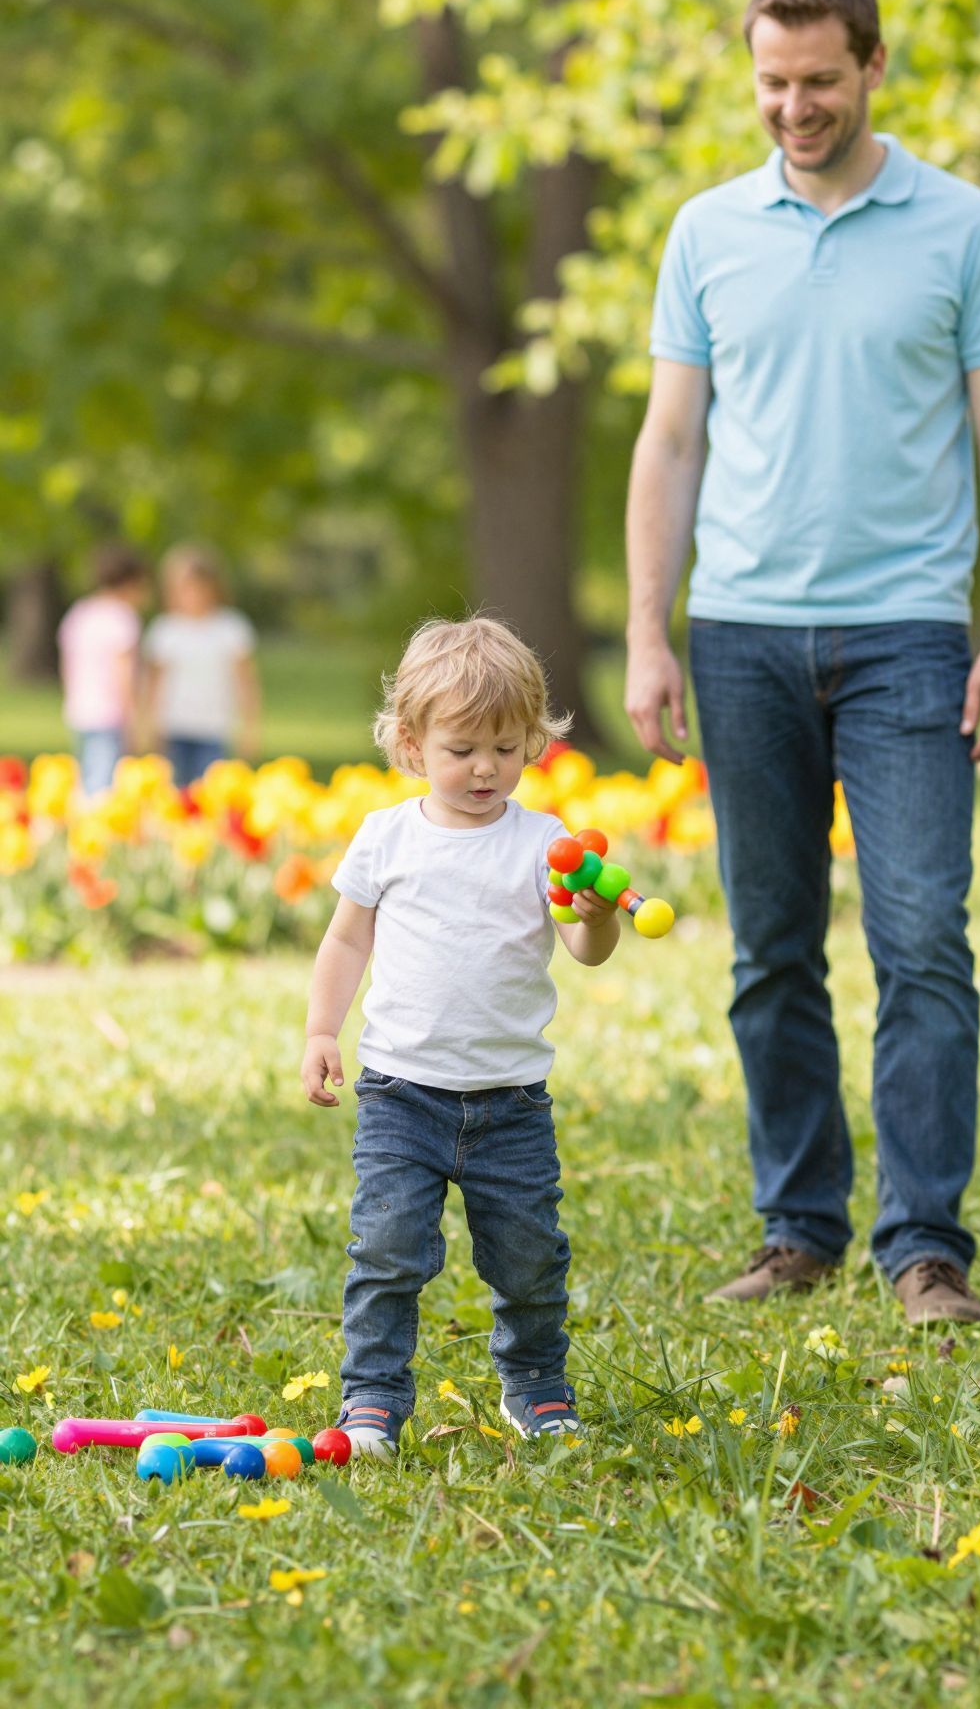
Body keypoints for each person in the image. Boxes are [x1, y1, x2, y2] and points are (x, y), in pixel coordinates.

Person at [625, 0, 980, 1326]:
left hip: (911, 636)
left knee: (923, 936)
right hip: (741, 633)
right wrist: (648, 631)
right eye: (771, 82)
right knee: (771, 948)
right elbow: (672, 440)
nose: (793, 107)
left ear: (872, 66)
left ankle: (925, 1245)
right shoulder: (705, 231)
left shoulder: (965, 227)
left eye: (818, 79)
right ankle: (797, 1228)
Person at [299, 616, 619, 1456]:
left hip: (511, 1102)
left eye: (506, 749)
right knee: (389, 1249)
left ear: (533, 744)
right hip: (403, 1095)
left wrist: (593, 917)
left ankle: (537, 1384)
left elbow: (585, 948)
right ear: (412, 744)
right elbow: (346, 940)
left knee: (528, 1257)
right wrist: (321, 1029)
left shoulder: (545, 844)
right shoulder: (388, 837)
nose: (486, 769)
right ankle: (371, 1398)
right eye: (463, 749)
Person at [140, 545, 261, 784]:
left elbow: (246, 680)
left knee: (209, 792)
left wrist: (250, 727)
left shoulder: (231, 628)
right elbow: (153, 683)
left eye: (200, 587)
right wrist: (148, 725)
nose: (194, 595)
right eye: (186, 588)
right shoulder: (166, 630)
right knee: (174, 793)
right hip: (173, 726)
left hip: (213, 727)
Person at [57, 544, 151, 794]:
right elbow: (124, 673)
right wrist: (133, 717)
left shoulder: (80, 613)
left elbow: (68, 664)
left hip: (81, 709)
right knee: (105, 780)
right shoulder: (122, 618)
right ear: (131, 583)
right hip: (111, 712)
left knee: (87, 771)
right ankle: (96, 826)